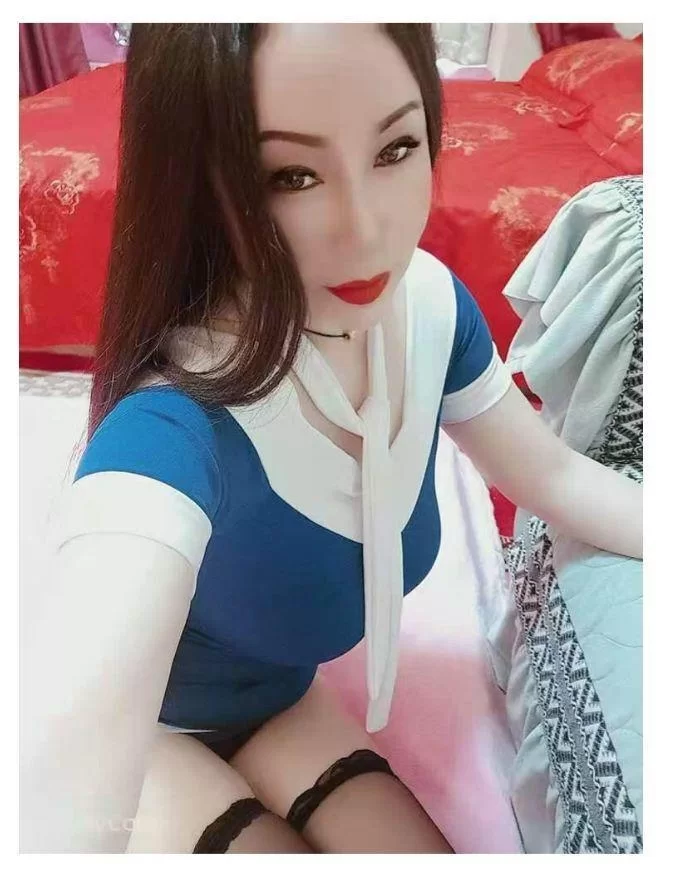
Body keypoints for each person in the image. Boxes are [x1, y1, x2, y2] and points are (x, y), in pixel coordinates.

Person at [19, 24, 642, 855]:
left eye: (396, 148)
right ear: (201, 183)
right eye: (291, 175)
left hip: (283, 698)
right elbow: (60, 784)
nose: (367, 230)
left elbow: (554, 478)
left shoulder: (428, 311)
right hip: (157, 739)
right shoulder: (174, 427)